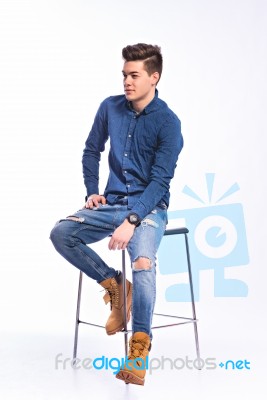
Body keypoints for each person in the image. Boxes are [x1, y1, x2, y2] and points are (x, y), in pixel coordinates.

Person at [50, 43, 183, 385]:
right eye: (124, 74)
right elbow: (91, 150)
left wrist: (133, 220)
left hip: (149, 208)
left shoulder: (168, 122)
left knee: (142, 260)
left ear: (154, 78)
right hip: (110, 203)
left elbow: (159, 182)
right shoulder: (110, 108)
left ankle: (139, 349)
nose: (127, 81)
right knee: (62, 233)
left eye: (134, 75)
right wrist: (92, 191)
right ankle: (113, 284)